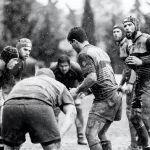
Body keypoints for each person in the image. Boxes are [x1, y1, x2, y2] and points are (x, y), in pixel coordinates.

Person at [67, 27, 122, 150]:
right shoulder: (99, 51)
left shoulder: (83, 54)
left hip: (105, 98)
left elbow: (92, 78)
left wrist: (77, 90)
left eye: (71, 44)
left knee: (90, 135)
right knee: (101, 133)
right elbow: (104, 77)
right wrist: (86, 91)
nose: (72, 48)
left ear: (75, 41)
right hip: (116, 96)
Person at [2, 68, 77, 150]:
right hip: (38, 103)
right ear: (53, 78)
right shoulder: (58, 84)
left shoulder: (24, 81)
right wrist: (59, 137)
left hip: (10, 105)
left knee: (11, 146)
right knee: (53, 146)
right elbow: (72, 111)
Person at [123, 16, 150, 150]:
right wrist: (130, 81)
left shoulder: (147, 39)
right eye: (125, 26)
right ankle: (145, 146)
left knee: (145, 117)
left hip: (149, 83)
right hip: (139, 84)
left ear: (136, 25)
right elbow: (135, 68)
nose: (127, 28)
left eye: (129, 25)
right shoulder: (131, 45)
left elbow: (143, 62)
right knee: (134, 117)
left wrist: (142, 62)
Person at [113, 24, 140, 150]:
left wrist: (130, 83)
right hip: (132, 82)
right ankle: (139, 142)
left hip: (137, 83)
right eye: (114, 32)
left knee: (132, 113)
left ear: (123, 33)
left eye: (118, 31)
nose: (115, 34)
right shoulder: (122, 45)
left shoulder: (129, 44)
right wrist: (120, 84)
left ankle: (135, 145)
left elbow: (136, 66)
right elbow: (126, 68)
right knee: (136, 113)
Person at [50, 54, 87, 145]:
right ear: (58, 66)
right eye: (61, 66)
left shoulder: (76, 68)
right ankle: (54, 137)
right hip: (57, 92)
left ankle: (81, 136)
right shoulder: (52, 69)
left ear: (69, 65)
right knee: (54, 112)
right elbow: (47, 83)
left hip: (72, 91)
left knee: (78, 109)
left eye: (66, 66)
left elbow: (83, 81)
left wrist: (81, 92)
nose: (64, 68)